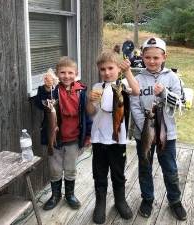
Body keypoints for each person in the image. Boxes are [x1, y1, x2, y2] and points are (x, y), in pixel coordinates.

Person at [130, 37, 187, 220]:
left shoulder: (172, 77)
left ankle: (175, 201)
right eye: (148, 57)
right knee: (145, 167)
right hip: (144, 134)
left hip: (167, 134)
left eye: (156, 57)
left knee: (170, 168)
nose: (152, 61)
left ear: (164, 57)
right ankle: (147, 199)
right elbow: (135, 105)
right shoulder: (137, 79)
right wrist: (147, 128)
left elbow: (180, 103)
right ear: (143, 57)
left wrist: (164, 92)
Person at [86, 51, 140, 224]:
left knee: (118, 173)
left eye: (111, 68)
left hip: (118, 140)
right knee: (99, 174)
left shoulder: (123, 84)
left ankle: (120, 201)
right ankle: (100, 203)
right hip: (98, 139)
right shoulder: (96, 87)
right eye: (103, 69)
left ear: (118, 69)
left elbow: (137, 91)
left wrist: (128, 72)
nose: (107, 72)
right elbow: (91, 113)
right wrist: (89, 100)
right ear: (99, 70)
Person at [35, 56, 92, 211]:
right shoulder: (52, 90)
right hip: (55, 139)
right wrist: (47, 88)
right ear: (57, 74)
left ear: (76, 73)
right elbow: (40, 103)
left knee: (70, 168)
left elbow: (86, 115)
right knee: (55, 169)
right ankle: (55, 195)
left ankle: (70, 195)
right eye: (62, 72)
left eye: (70, 72)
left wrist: (88, 135)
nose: (66, 76)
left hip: (74, 139)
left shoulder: (81, 92)